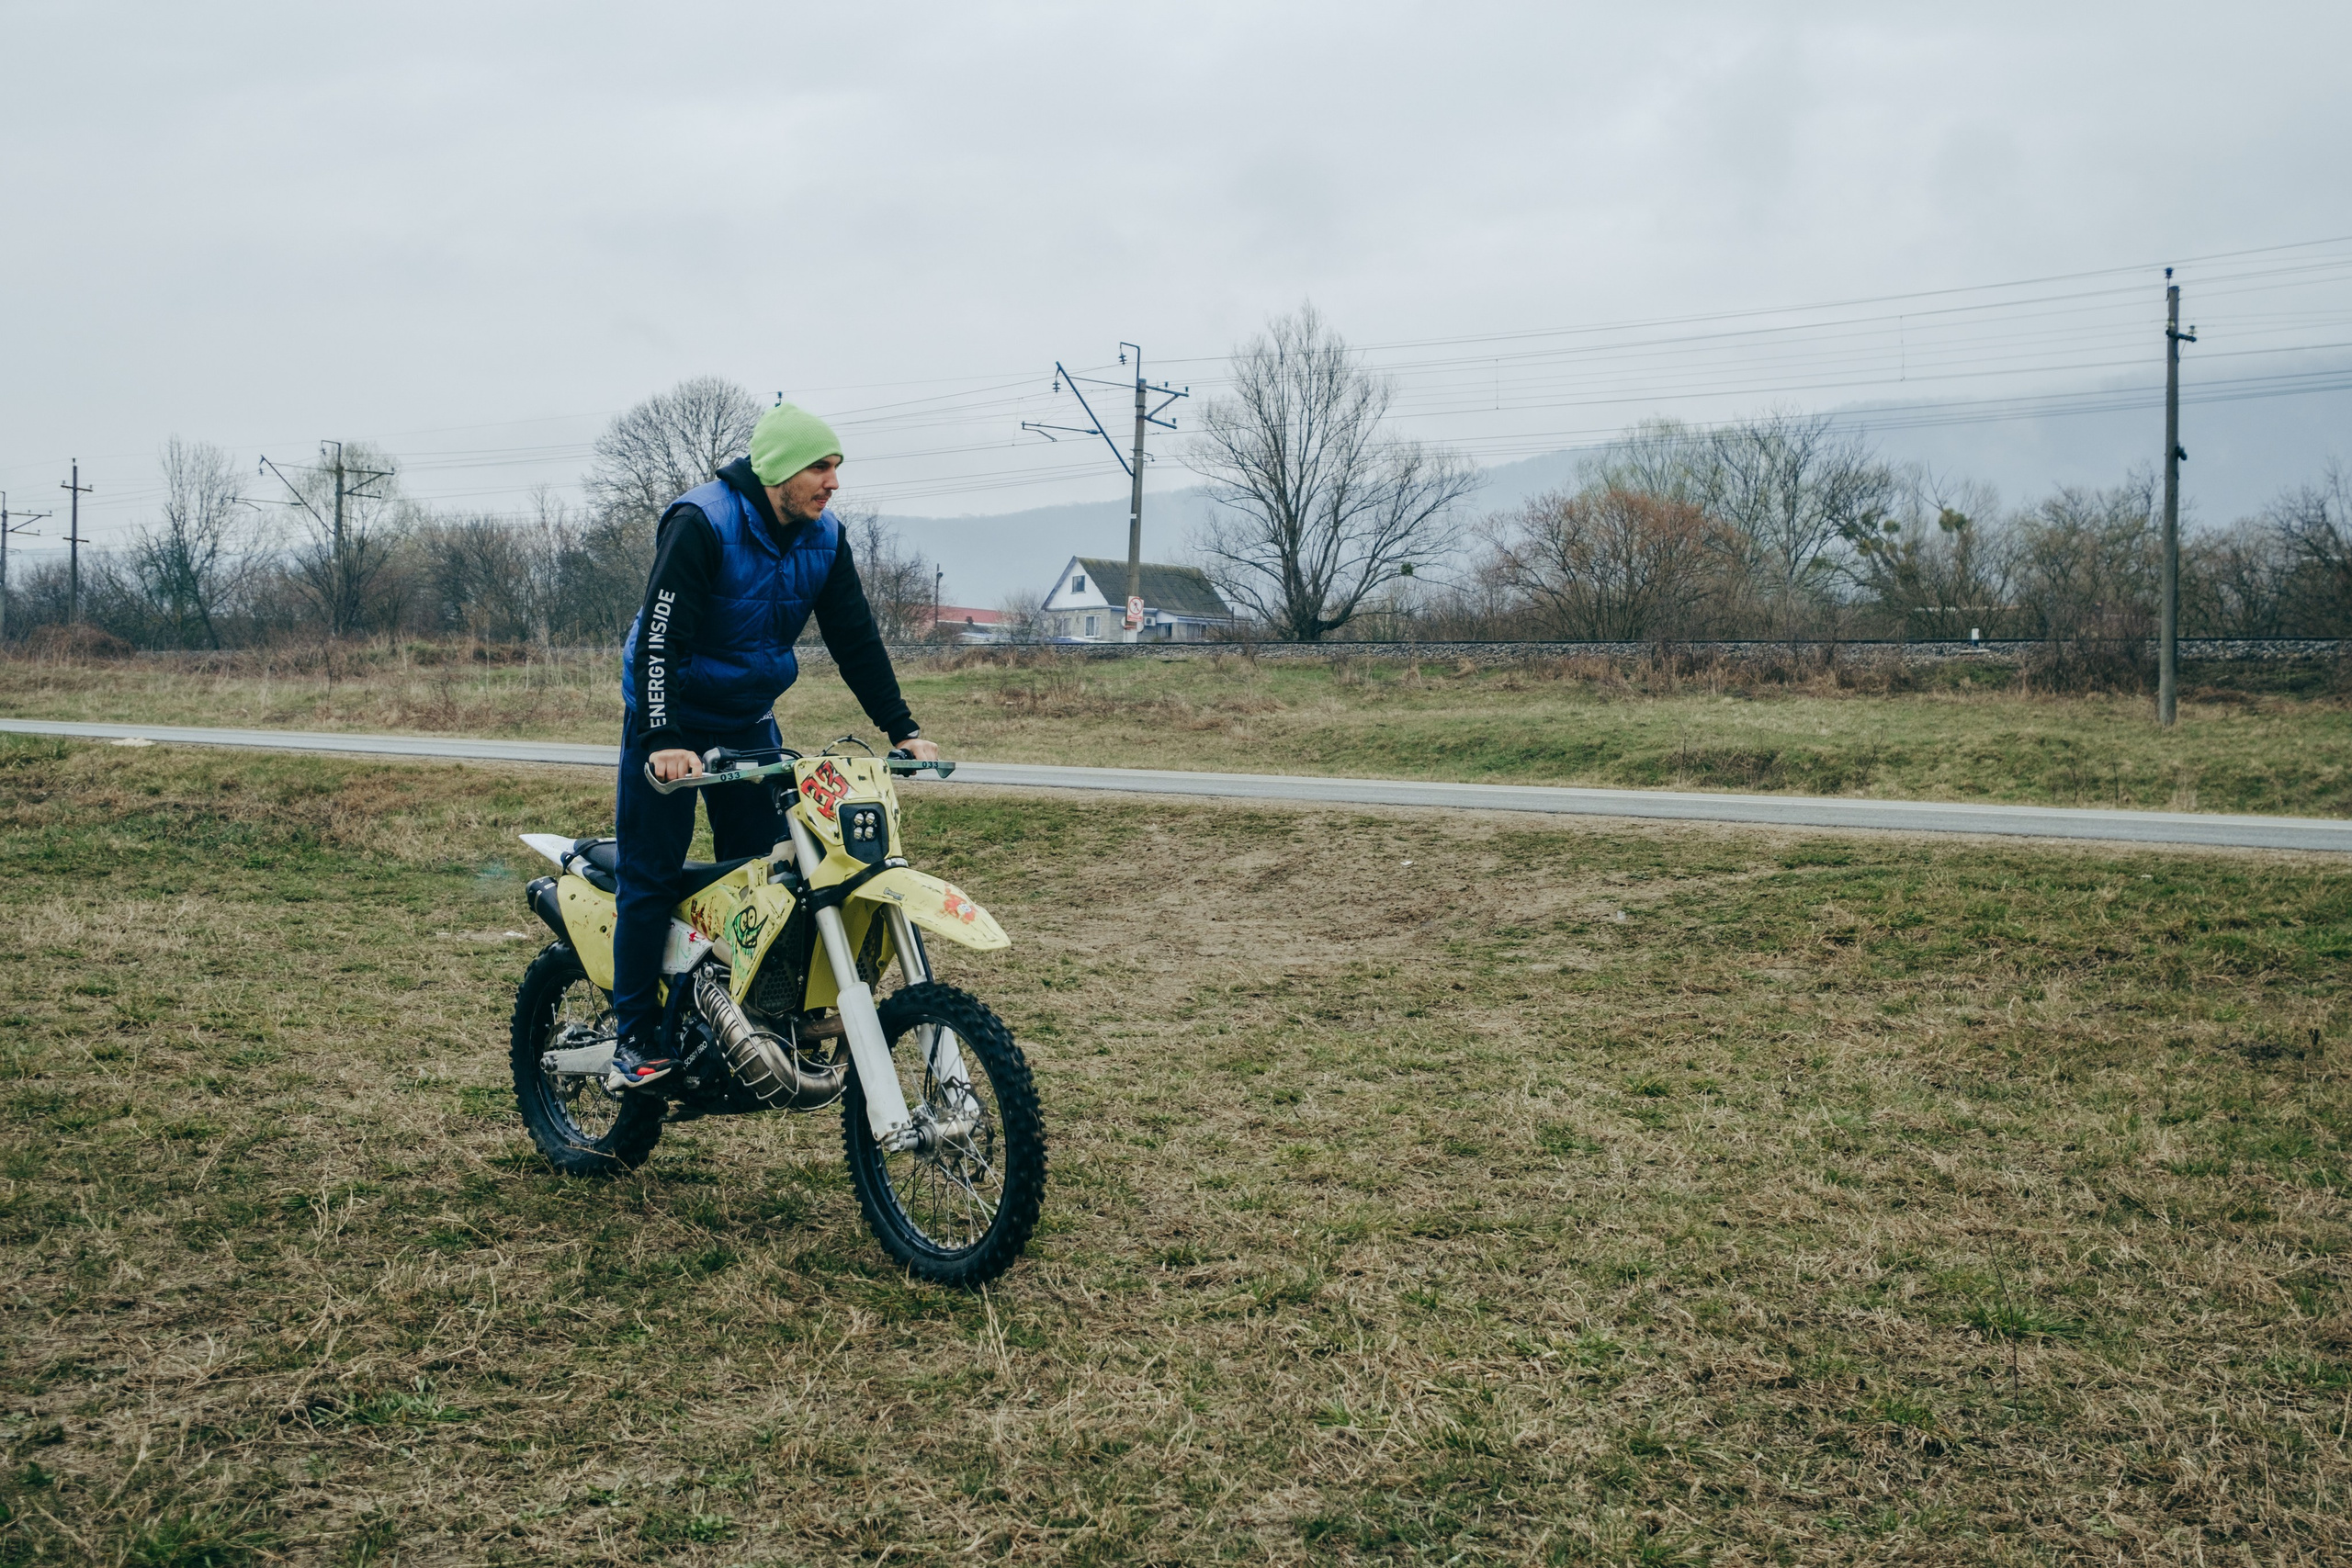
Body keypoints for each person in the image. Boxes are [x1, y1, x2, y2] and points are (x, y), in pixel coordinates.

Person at [607, 401, 940, 1088]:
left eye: (837, 467)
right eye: (820, 467)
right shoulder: (702, 522)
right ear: (779, 470)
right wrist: (664, 737)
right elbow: (661, 641)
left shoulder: (825, 536)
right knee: (652, 873)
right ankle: (633, 1037)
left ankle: (746, 1019)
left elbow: (854, 637)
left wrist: (902, 728)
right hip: (669, 716)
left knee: (767, 878)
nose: (833, 482)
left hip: (747, 719)